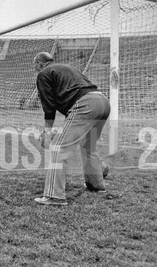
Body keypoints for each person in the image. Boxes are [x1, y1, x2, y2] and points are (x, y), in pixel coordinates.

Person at [33, 52, 110, 206]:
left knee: (58, 149)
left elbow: (48, 105)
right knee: (89, 147)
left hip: (86, 105)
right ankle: (96, 185)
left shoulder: (44, 73)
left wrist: (47, 132)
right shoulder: (66, 68)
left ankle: (55, 196)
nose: (34, 69)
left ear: (40, 63)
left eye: (35, 65)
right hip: (102, 101)